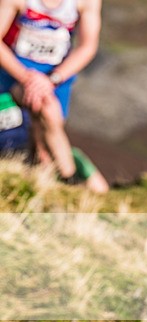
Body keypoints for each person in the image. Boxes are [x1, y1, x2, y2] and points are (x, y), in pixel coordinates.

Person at [0, 0, 108, 193]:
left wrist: (51, 80)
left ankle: (48, 182)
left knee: (46, 134)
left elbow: (88, 46)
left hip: (57, 77)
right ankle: (69, 181)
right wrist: (27, 78)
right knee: (46, 111)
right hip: (15, 73)